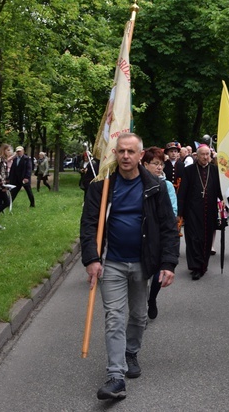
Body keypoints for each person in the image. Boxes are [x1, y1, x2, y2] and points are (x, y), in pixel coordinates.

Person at [80, 133, 179, 401]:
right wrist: (91, 258)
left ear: (140, 154)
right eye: (121, 151)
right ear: (115, 153)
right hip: (111, 262)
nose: (125, 156)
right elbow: (89, 225)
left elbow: (169, 227)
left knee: (139, 315)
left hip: (142, 262)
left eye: (130, 152)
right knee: (114, 316)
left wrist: (168, 262)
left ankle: (131, 351)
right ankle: (115, 376)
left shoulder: (155, 187)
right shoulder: (101, 188)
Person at [141, 146, 178, 320]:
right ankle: (140, 311)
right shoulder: (139, 184)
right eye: (155, 164)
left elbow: (173, 209)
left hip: (160, 234)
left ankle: (152, 298)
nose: (159, 167)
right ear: (145, 164)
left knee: (157, 273)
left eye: (161, 164)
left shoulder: (166, 185)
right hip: (143, 235)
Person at [178, 144, 222, 280]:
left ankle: (203, 265)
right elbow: (182, 192)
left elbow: (220, 190)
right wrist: (180, 212)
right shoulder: (189, 170)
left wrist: (224, 200)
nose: (205, 157)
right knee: (193, 239)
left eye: (207, 154)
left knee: (206, 239)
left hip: (209, 211)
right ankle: (195, 266)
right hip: (192, 211)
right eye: (202, 154)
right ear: (197, 155)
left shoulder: (214, 170)